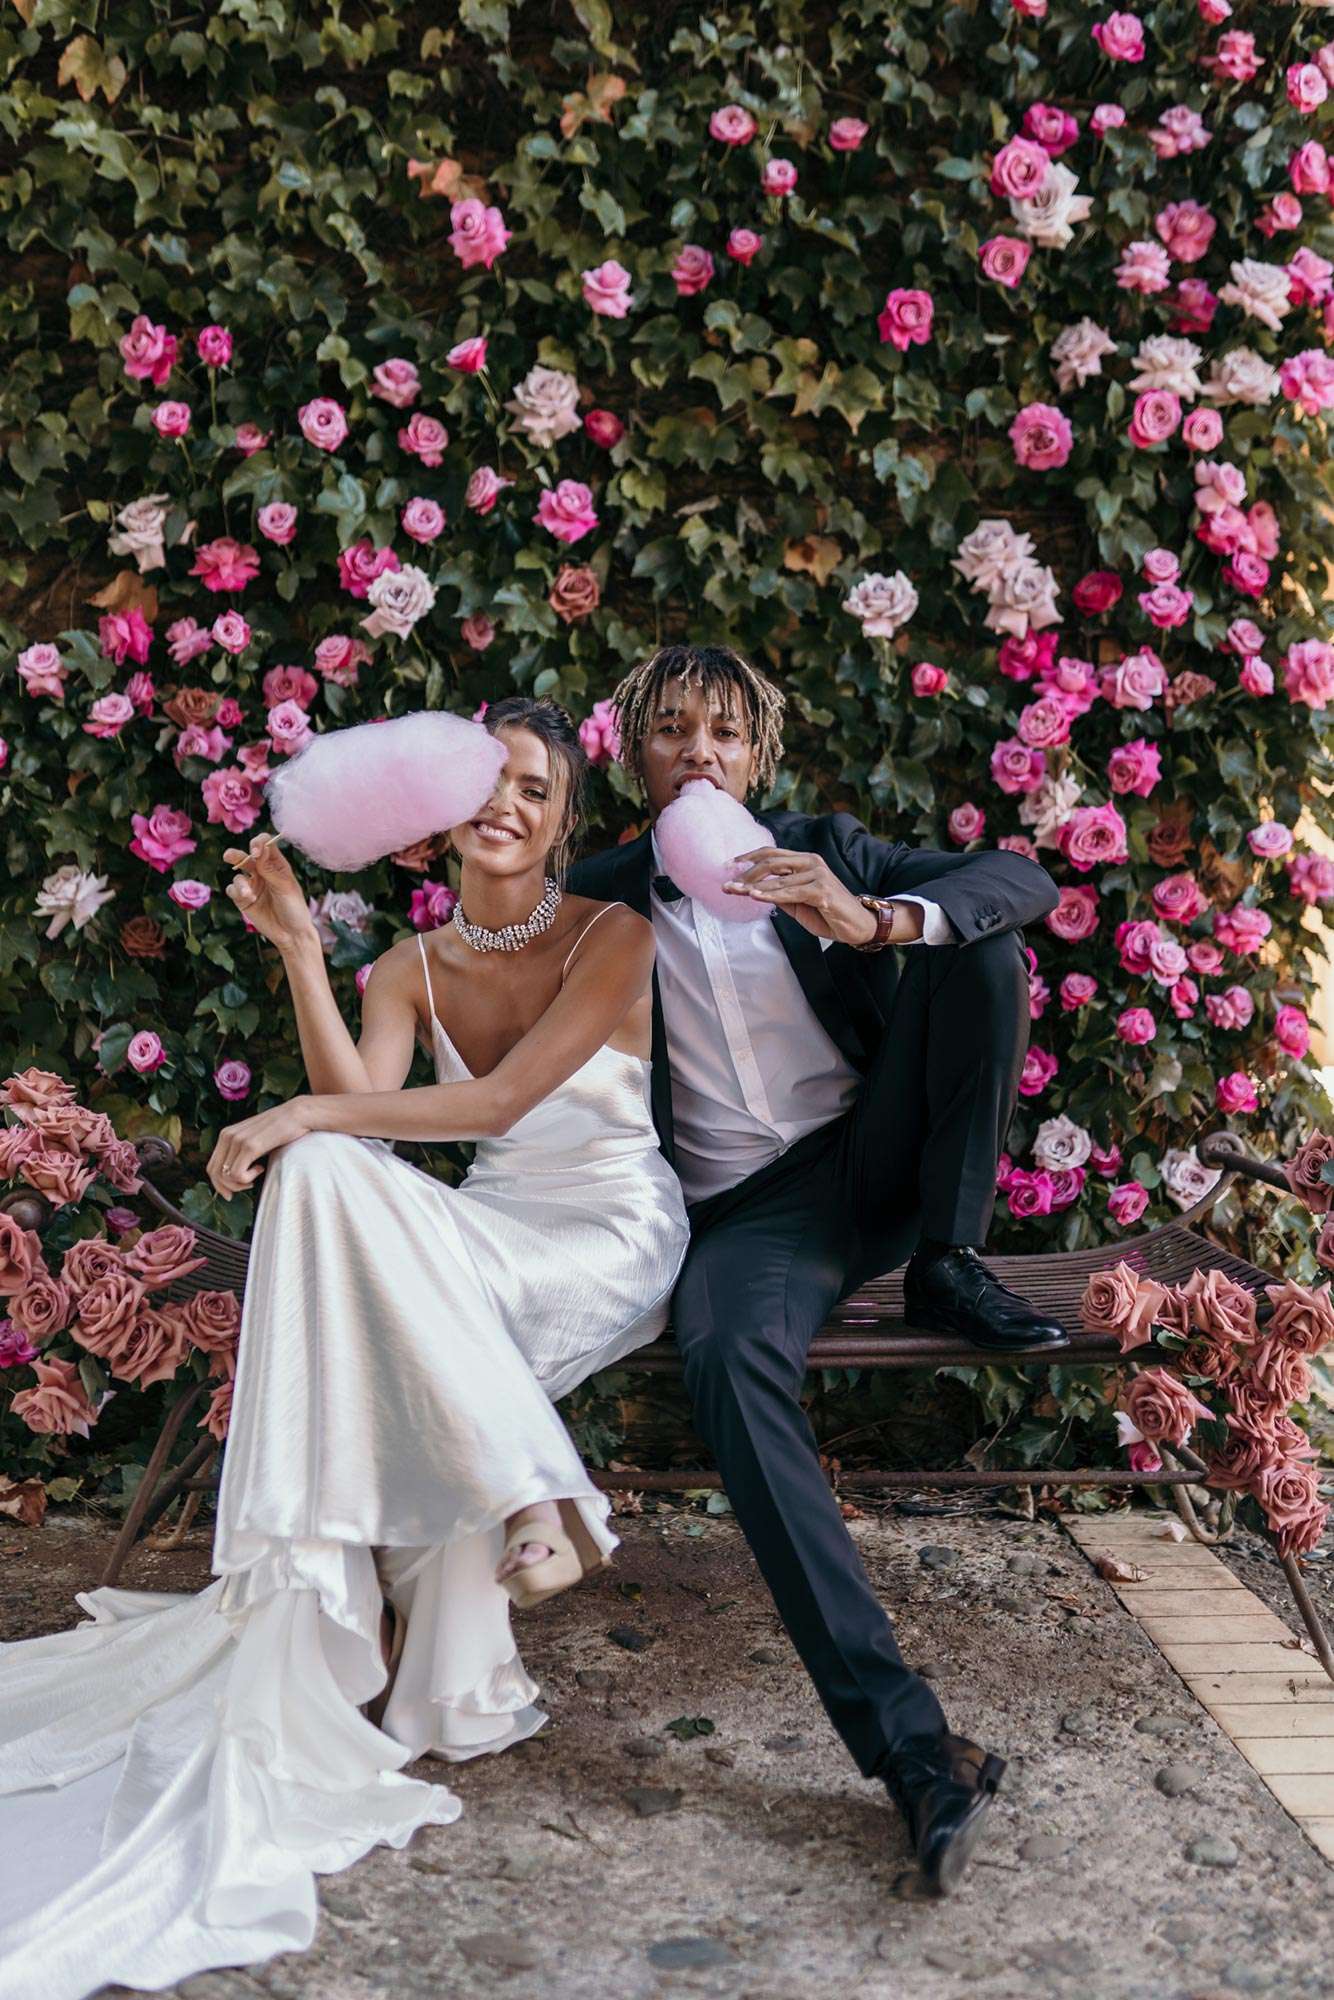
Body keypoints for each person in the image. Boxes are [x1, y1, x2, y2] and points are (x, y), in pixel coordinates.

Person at [0, 695, 689, 2000]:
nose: (506, 806)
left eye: (536, 790)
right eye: (488, 781)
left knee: (312, 1147)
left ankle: (524, 1498)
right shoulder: (409, 967)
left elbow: (497, 1101)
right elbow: (362, 1120)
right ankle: (510, 1503)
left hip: (605, 1232)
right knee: (321, 1171)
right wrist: (304, 956)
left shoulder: (614, 935)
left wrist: (298, 1114)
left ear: (562, 825)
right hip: (482, 1235)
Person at [567, 643, 1068, 1894]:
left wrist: (872, 916)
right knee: (725, 1355)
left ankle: (950, 1256)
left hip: (871, 1155)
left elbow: (1020, 876)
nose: (698, 751)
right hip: (747, 1214)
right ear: (635, 755)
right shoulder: (597, 896)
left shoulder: (824, 847)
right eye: (671, 729)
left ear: (756, 757)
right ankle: (914, 1750)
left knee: (978, 943)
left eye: (724, 732)